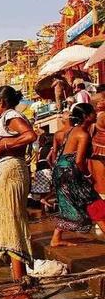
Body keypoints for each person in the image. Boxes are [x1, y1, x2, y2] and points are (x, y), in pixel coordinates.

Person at [0, 86, 37, 280]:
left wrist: (4, 145)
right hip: (2, 173)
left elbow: (30, 135)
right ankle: (17, 277)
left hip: (11, 172)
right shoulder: (1, 120)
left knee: (12, 221)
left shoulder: (11, 116)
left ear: (2, 102)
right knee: (7, 221)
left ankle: (20, 279)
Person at [50, 103, 105, 245]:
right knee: (92, 201)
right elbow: (79, 160)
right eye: (93, 112)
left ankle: (56, 238)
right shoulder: (83, 134)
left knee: (69, 203)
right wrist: (88, 176)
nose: (96, 113)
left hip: (60, 171)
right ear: (86, 117)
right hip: (70, 172)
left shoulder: (72, 131)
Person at [88, 88, 105, 199]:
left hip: (96, 150)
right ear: (99, 104)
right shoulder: (102, 116)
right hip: (100, 151)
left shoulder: (94, 119)